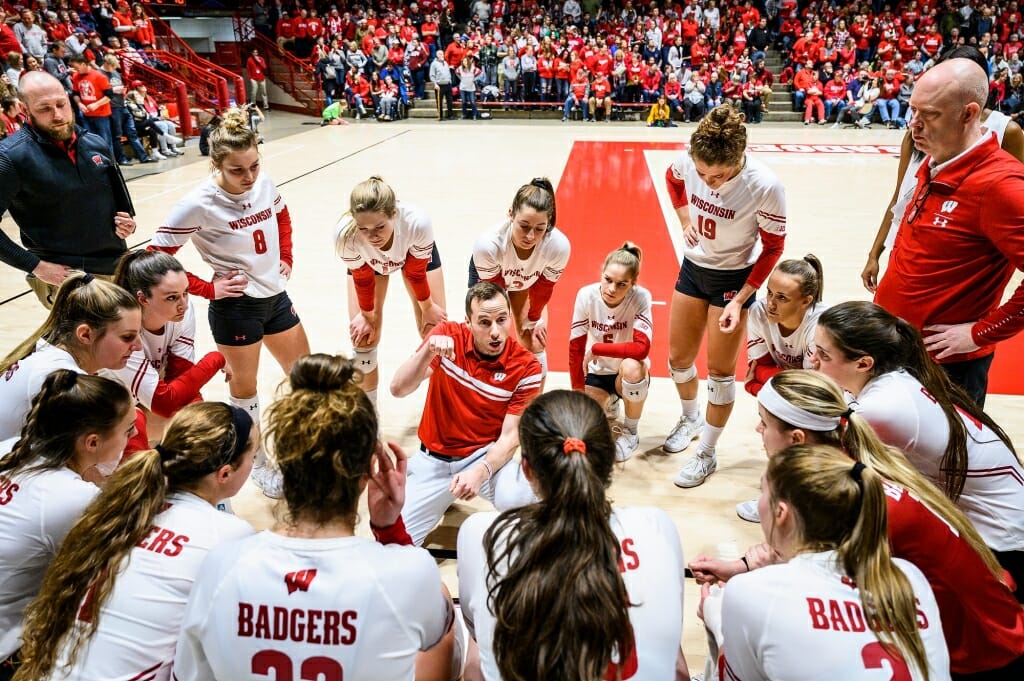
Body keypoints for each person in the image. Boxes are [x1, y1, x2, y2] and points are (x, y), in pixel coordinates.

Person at [693, 370, 1024, 676]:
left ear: (796, 439)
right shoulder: (852, 471)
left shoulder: (846, 499)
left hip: (982, 652)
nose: (758, 430)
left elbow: (811, 570)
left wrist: (722, 618)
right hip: (987, 622)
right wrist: (745, 564)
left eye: (764, 423)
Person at [173, 354, 458, 681]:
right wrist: (389, 528)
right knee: (449, 624)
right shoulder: (409, 573)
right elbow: (439, 627)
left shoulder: (221, 566)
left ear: (284, 466)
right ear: (369, 470)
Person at [13, 402, 257, 681]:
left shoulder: (118, 508)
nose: (253, 462)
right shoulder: (229, 535)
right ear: (225, 473)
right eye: (253, 454)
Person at [457, 390, 688, 681]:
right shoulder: (657, 526)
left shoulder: (482, 534)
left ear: (526, 470)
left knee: (471, 647)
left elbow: (479, 636)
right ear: (608, 462)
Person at [149, 107, 311, 498]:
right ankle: (257, 463)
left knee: (304, 375)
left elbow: (282, 215)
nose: (249, 176)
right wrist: (207, 288)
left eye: (254, 165)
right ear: (216, 164)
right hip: (236, 308)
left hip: (275, 296)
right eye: (238, 170)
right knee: (245, 391)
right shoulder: (197, 203)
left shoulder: (264, 183)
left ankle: (307, 447)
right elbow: (155, 259)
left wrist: (285, 255)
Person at [816, 301, 1024, 596]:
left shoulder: (881, 408)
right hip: (1006, 526)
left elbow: (818, 460)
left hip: (1004, 549)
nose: (813, 362)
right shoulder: (899, 378)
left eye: (823, 355)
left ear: (864, 363)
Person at [700, 444, 950, 680]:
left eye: (762, 491)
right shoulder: (908, 576)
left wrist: (718, 623)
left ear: (780, 513)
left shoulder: (751, 592)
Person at [871, 57, 1024, 407]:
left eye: (930, 114)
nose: (914, 125)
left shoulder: (1001, 185)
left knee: (942, 461)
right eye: (913, 110)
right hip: (899, 348)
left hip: (946, 368)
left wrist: (979, 333)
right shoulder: (934, 159)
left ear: (969, 114)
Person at [662, 104, 786, 488]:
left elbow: (773, 248)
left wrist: (741, 299)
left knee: (719, 373)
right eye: (702, 173)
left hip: (734, 279)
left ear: (738, 160)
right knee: (679, 360)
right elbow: (673, 179)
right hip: (694, 268)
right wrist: (684, 219)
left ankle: (707, 453)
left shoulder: (764, 185)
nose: (708, 181)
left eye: (717, 176)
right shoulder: (688, 162)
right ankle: (690, 417)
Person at [0, 371, 136, 678]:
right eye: (128, 431)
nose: (130, 440)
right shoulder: (72, 497)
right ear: (92, 442)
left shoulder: (10, 448)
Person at [390, 283, 543, 546]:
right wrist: (427, 352)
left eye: (501, 320)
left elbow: (509, 438)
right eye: (484, 322)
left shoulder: (527, 367)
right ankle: (436, 493)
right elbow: (398, 388)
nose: (495, 332)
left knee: (523, 499)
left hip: (483, 455)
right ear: (468, 323)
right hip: (433, 461)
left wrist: (480, 472)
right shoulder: (448, 336)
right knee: (396, 546)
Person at [862, 48, 1024, 292]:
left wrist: (984, 329)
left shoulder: (1005, 132)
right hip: (907, 245)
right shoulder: (916, 134)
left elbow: (1011, 215)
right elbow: (899, 198)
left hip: (957, 260)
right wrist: (875, 252)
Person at [0, 72, 136, 309]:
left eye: (62, 104)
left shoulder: (95, 142)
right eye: (45, 109)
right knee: (93, 344)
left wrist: (127, 223)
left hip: (118, 266)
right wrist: (36, 266)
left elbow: (120, 205)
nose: (58, 115)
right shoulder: (10, 157)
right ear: (24, 108)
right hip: (66, 276)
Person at [334, 176, 447, 406]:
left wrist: (427, 308)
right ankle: (369, 416)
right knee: (363, 338)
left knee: (435, 332)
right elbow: (363, 279)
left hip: (413, 255)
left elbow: (415, 273)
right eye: (364, 229)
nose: (373, 236)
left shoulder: (417, 223)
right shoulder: (345, 235)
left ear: (393, 213)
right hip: (368, 267)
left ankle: (442, 405)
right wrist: (367, 316)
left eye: (379, 227)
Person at [734, 255, 828, 522]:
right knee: (773, 427)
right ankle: (787, 494)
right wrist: (769, 379)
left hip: (827, 400)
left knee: (783, 432)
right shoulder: (758, 312)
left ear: (806, 301)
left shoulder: (820, 324)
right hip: (785, 395)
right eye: (769, 293)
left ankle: (786, 500)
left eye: (782, 298)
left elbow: (809, 390)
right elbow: (754, 376)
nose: (771, 304)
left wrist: (764, 379)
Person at [0, 275, 141, 442]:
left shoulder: (50, 351)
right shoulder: (63, 381)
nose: (139, 346)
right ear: (86, 334)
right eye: (127, 337)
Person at [108, 251, 228, 442]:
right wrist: (215, 359)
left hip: (138, 405)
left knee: (201, 425)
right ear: (143, 298)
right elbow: (165, 403)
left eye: (186, 293)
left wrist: (202, 427)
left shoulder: (181, 315)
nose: (184, 305)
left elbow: (182, 379)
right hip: (100, 418)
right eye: (172, 297)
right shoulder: (122, 333)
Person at [469, 178, 570, 379]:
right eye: (524, 226)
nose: (531, 236)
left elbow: (543, 288)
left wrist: (534, 319)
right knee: (488, 339)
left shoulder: (558, 246)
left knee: (534, 342)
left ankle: (535, 409)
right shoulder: (488, 245)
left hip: (528, 282)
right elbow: (496, 300)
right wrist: (499, 332)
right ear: (511, 214)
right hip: (493, 281)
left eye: (540, 229)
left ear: (548, 224)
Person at [568, 243, 653, 462]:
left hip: (626, 372)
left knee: (633, 367)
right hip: (598, 373)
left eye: (621, 284)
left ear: (633, 284)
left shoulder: (640, 297)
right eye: (608, 280)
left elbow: (641, 349)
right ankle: (612, 401)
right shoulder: (586, 295)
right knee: (582, 428)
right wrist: (577, 389)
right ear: (602, 273)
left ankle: (631, 432)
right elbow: (576, 348)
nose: (612, 289)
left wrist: (596, 348)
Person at [429, 51, 454, 121]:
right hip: (439, 85)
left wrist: (450, 81)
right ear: (437, 56)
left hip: (447, 84)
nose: (442, 55)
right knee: (439, 101)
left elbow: (448, 73)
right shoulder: (434, 64)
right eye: (440, 54)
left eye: (442, 54)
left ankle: (450, 115)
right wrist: (435, 84)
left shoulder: (445, 63)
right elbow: (432, 75)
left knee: (449, 101)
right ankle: (440, 116)